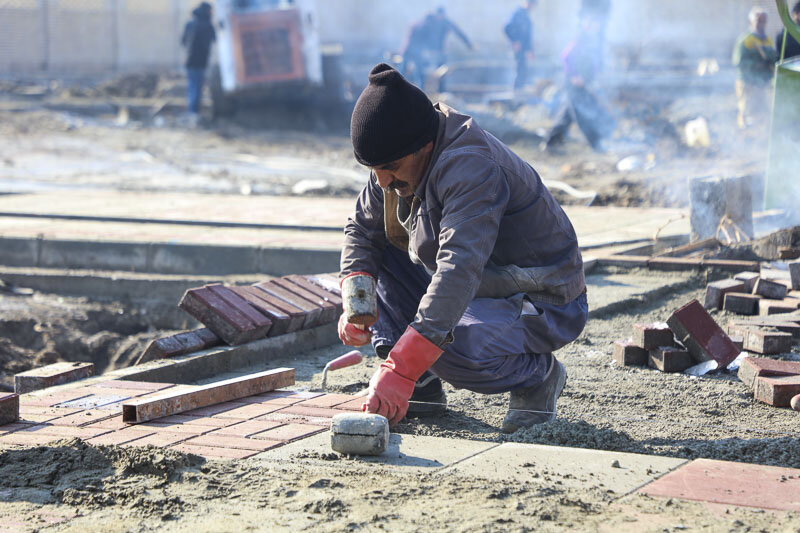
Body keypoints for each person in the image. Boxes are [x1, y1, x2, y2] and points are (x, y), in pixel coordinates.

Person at [339, 64, 588, 433]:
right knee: (382, 255)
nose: (381, 181)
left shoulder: (471, 166)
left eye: (388, 168)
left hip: (542, 300)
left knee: (448, 344)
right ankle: (422, 384)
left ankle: (538, 377)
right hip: (483, 288)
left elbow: (459, 269)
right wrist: (356, 304)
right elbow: (362, 229)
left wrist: (402, 366)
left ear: (422, 147)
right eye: (374, 169)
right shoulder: (397, 158)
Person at [542, 16, 615, 153]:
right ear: (587, 26)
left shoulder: (593, 41)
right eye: (594, 25)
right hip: (574, 85)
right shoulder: (581, 40)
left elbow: (592, 62)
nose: (597, 27)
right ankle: (596, 144)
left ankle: (551, 143)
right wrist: (574, 76)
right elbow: (565, 56)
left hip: (583, 84)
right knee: (584, 114)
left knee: (567, 116)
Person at [402, 7, 473, 90]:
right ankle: (402, 89)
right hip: (421, 51)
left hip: (438, 52)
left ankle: (440, 91)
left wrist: (468, 44)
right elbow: (424, 38)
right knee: (414, 72)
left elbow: (458, 32)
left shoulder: (446, 22)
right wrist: (427, 50)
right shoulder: (428, 23)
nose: (439, 17)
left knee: (440, 73)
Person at [732, 7, 778, 129]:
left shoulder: (767, 40)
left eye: (763, 21)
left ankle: (759, 136)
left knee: (762, 113)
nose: (761, 24)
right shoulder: (746, 40)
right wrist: (757, 65)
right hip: (748, 84)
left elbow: (773, 58)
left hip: (763, 83)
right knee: (747, 113)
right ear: (751, 22)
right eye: (758, 20)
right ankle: (744, 136)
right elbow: (738, 62)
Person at [181, 2, 216, 115]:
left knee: (193, 86)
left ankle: (193, 111)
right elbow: (214, 39)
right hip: (201, 61)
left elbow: (183, 41)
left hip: (190, 60)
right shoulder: (208, 25)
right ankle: (194, 112)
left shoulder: (190, 24)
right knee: (197, 86)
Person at [504, 0, 537, 91]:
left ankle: (520, 91)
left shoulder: (526, 16)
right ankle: (516, 92)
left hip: (524, 50)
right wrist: (514, 41)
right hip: (518, 49)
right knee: (519, 70)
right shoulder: (517, 13)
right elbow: (507, 28)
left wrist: (529, 50)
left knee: (523, 71)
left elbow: (527, 36)